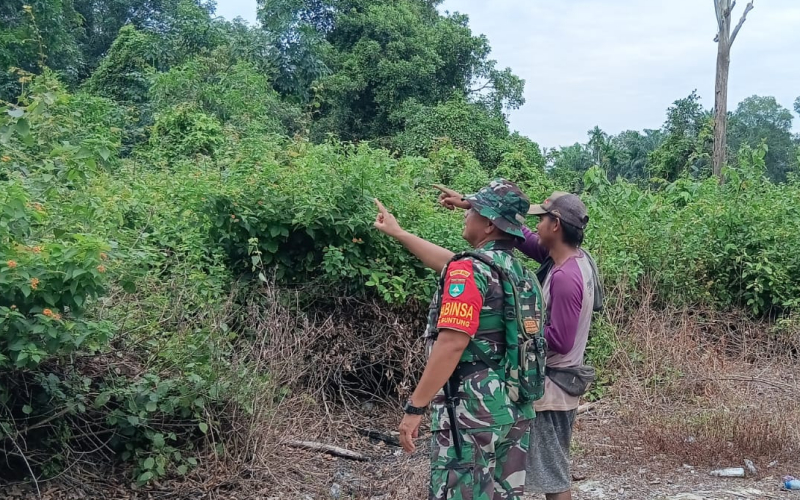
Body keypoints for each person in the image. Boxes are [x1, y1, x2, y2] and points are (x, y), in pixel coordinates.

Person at [373, 179, 536, 500]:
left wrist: (414, 407)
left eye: (473, 209)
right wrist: (400, 233)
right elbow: (454, 264)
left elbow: (452, 343)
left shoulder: (471, 270)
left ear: (489, 225)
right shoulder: (520, 274)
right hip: (514, 409)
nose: (465, 213)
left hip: (471, 414)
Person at [436, 186, 596, 500]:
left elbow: (561, 341)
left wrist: (515, 330)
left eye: (540, 220)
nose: (534, 226)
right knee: (549, 472)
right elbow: (524, 238)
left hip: (554, 387)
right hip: (557, 384)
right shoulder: (572, 260)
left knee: (553, 476)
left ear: (556, 225)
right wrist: (476, 204)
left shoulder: (565, 277)